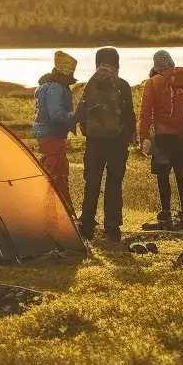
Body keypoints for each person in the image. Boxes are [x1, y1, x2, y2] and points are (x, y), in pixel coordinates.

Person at [75, 46, 136, 246]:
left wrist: (87, 131)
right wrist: (128, 138)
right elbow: (129, 114)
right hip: (117, 143)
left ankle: (87, 226)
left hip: (94, 142)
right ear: (116, 62)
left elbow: (82, 113)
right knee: (114, 184)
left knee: (91, 183)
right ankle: (112, 228)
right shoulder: (123, 85)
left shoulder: (90, 85)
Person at [139, 49, 183, 230]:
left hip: (164, 136)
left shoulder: (153, 81)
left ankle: (166, 218)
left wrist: (144, 136)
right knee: (181, 175)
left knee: (163, 176)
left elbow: (145, 112)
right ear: (171, 62)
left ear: (156, 64)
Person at [33, 50, 79, 210]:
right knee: (56, 175)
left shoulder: (44, 86)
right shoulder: (57, 88)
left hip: (46, 135)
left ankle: (60, 210)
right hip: (52, 136)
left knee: (55, 173)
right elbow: (56, 114)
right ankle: (54, 211)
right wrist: (76, 116)